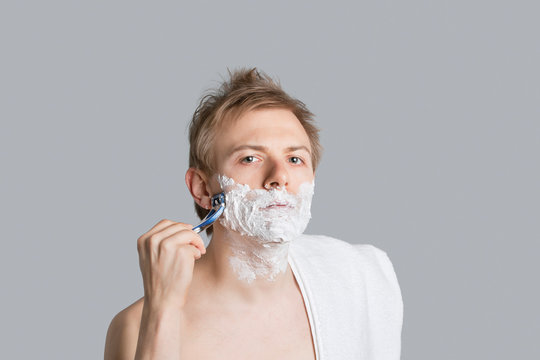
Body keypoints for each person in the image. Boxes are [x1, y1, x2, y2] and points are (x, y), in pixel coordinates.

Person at [104, 68, 403, 360]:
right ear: (203, 189)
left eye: (295, 158)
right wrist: (164, 310)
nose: (280, 177)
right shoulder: (136, 327)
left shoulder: (360, 280)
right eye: (250, 158)